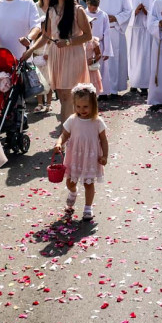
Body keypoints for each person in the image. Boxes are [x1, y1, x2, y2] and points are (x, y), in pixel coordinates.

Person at [26, 0, 92, 123]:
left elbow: (88, 36)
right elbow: (45, 36)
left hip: (73, 54)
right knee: (62, 96)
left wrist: (68, 42)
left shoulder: (78, 10)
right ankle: (73, 130)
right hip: (57, 55)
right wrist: (31, 50)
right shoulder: (51, 10)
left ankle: (65, 134)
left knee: (69, 95)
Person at [53, 83, 107, 222]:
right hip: (74, 157)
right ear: (74, 105)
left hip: (90, 158)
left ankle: (88, 208)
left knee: (89, 183)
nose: (81, 110)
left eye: (85, 107)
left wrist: (104, 155)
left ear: (93, 105)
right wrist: (59, 143)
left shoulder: (97, 121)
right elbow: (64, 134)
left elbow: (103, 140)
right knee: (70, 181)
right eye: (78, 106)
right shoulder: (72, 120)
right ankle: (73, 192)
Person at [95, 0, 131, 98]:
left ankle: (114, 89)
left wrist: (116, 18)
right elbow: (92, 12)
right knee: (102, 62)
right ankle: (102, 90)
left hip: (115, 30)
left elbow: (128, 11)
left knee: (115, 61)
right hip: (101, 33)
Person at [126, 0, 156, 96]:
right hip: (133, 30)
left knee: (145, 58)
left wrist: (146, 12)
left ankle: (144, 85)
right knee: (133, 58)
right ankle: (133, 83)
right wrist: (135, 12)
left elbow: (154, 15)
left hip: (146, 31)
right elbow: (127, 14)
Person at [83, 0, 111, 92]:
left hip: (100, 44)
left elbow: (107, 32)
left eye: (95, 7)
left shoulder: (103, 15)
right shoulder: (83, 14)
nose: (93, 9)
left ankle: (102, 92)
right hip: (86, 44)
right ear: (87, 4)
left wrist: (107, 50)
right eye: (91, 6)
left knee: (100, 69)